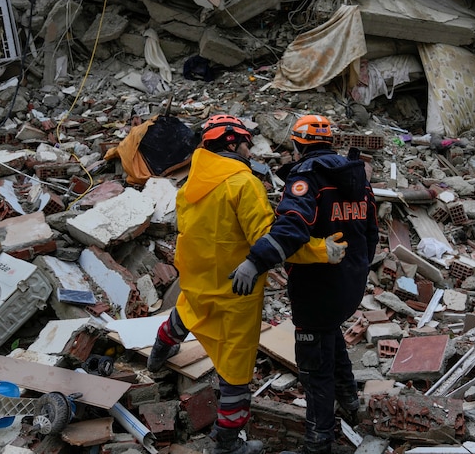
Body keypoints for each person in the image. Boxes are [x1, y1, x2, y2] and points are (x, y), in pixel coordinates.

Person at [147, 114, 346, 454]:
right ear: (231, 143)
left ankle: (157, 359)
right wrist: (321, 251)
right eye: (246, 143)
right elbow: (270, 242)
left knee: (181, 319)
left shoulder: (191, 183)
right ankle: (227, 444)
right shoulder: (244, 185)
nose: (250, 149)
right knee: (235, 375)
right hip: (235, 294)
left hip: (196, 284)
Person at [231, 115, 379, 454]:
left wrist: (256, 261)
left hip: (317, 287)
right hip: (350, 283)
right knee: (330, 334)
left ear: (299, 145)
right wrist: (357, 269)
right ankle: (350, 403)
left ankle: (317, 441)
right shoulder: (356, 174)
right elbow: (371, 232)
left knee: (313, 366)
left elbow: (293, 229)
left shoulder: (306, 177)